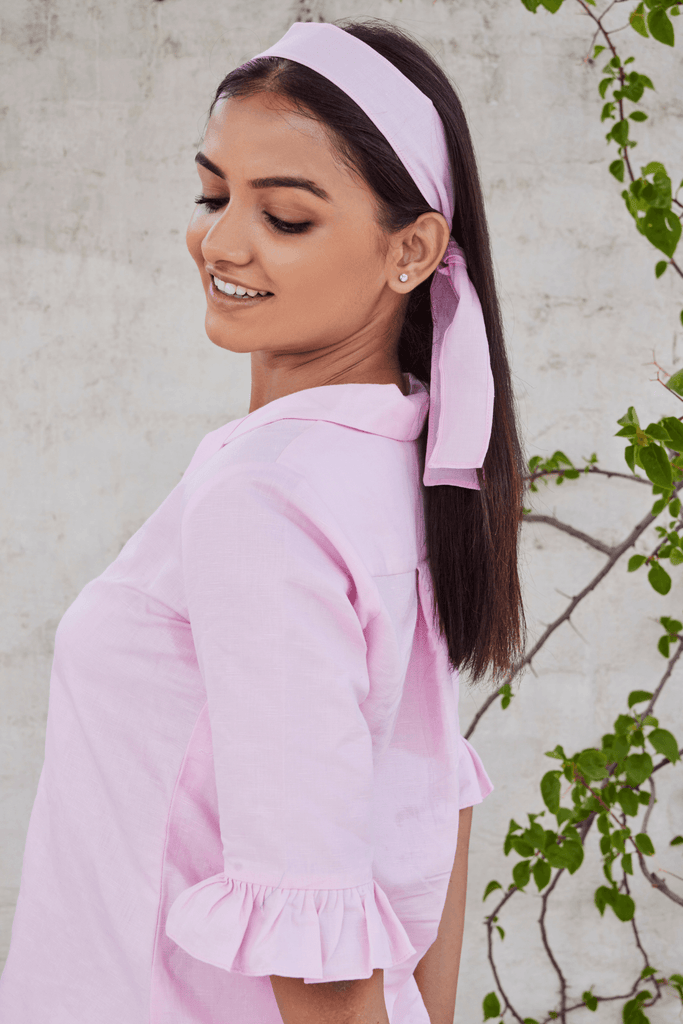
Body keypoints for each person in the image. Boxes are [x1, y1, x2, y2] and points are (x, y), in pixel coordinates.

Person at [0, 16, 525, 1024]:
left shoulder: (267, 496)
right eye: (213, 195)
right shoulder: (400, 452)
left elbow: (319, 956)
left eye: (284, 216)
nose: (221, 241)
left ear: (412, 249)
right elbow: (431, 802)